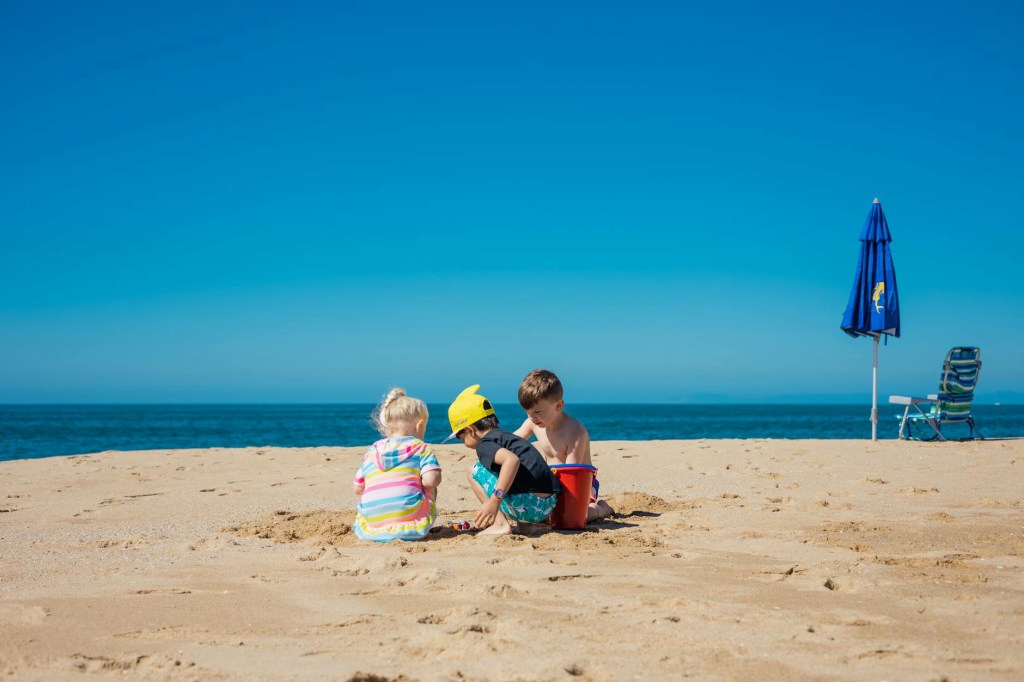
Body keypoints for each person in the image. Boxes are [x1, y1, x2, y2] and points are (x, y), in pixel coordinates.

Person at [446, 385, 561, 536]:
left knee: (474, 471)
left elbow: (511, 460)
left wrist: (495, 500)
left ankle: (500, 524)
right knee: (513, 475)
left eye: (462, 439)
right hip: (548, 505)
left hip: (528, 504)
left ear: (470, 430)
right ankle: (525, 527)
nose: (464, 444)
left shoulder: (484, 445)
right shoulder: (507, 438)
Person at [514, 369, 614, 521]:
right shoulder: (534, 423)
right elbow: (512, 441)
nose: (532, 417)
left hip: (579, 483)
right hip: (550, 483)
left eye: (538, 411)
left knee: (577, 516)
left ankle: (602, 508)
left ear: (558, 406)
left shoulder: (575, 432)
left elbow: (572, 474)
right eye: (527, 412)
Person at [353, 388, 442, 542]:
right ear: (420, 425)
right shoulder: (421, 447)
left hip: (372, 526)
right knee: (430, 485)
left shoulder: (373, 451)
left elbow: (357, 488)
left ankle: (379, 517)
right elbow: (431, 480)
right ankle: (419, 522)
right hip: (410, 526)